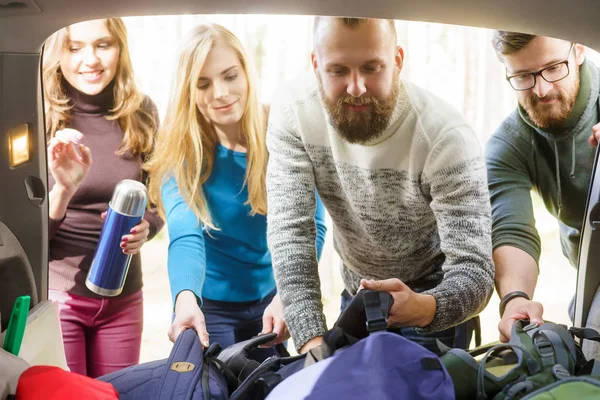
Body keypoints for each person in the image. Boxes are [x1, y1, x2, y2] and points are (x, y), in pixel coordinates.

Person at [266, 17, 495, 355]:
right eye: (338, 71)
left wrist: (424, 307)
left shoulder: (446, 137)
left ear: (398, 60)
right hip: (356, 298)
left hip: (434, 307)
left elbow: (475, 269)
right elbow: (291, 230)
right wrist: (312, 343)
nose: (356, 87)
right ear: (315, 65)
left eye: (372, 68)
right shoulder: (293, 112)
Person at [146, 24, 327, 359]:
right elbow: (186, 236)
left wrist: (288, 293)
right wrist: (185, 297)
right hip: (209, 305)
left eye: (229, 76)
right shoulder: (180, 150)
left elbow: (311, 225)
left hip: (272, 297)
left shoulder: (285, 133)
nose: (220, 92)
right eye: (203, 84)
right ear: (189, 91)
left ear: (247, 73)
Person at [44, 18, 163, 377]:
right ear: (57, 53)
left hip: (124, 300)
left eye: (103, 44)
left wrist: (148, 226)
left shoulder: (142, 113)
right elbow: (26, 236)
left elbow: (155, 201)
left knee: (117, 393)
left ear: (120, 49)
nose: (90, 59)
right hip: (58, 300)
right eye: (75, 47)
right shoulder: (41, 116)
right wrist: (63, 190)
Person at [487, 31, 600, 356]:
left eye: (553, 68)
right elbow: (512, 230)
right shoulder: (507, 147)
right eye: (523, 76)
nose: (542, 88)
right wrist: (515, 298)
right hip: (589, 274)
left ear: (578, 49)